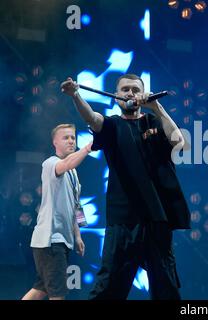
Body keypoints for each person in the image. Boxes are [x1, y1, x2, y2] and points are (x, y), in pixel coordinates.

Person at [60, 74, 190, 300]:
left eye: (135, 89)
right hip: (123, 221)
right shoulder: (112, 125)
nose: (130, 93)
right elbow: (92, 118)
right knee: (108, 287)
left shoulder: (153, 122)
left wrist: (156, 106)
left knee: (166, 286)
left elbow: (180, 142)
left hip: (157, 219)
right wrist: (75, 95)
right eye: (125, 89)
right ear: (116, 95)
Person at [22, 124, 89, 300]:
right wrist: (89, 147)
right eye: (65, 137)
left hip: (62, 241)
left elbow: (76, 206)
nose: (71, 141)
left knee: (41, 289)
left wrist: (78, 236)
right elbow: (66, 163)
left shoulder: (74, 174)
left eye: (73, 137)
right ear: (55, 142)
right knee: (57, 294)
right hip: (51, 241)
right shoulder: (50, 163)